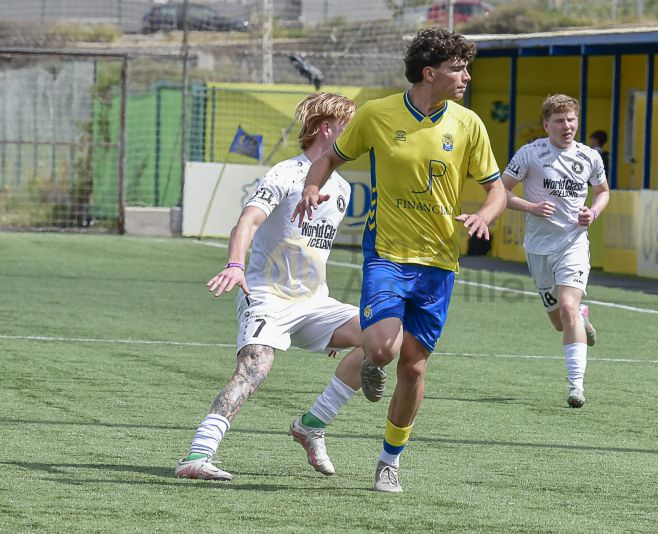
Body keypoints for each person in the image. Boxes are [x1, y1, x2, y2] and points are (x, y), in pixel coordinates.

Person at [292, 28, 507, 493]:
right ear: (430, 73)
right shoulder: (377, 114)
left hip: (440, 264)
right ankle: (369, 363)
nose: (466, 76)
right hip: (387, 254)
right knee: (384, 349)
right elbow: (331, 158)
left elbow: (497, 189)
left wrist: (486, 215)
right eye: (458, 68)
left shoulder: (468, 124)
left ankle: (389, 461)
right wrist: (312, 185)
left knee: (413, 367)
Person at [175, 92, 364, 481]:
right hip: (266, 295)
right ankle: (197, 456)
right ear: (327, 128)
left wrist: (333, 330)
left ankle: (312, 423)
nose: (358, 134)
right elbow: (246, 222)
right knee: (255, 369)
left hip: (315, 302)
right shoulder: (286, 173)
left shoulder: (342, 189)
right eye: (351, 125)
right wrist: (235, 265)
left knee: (384, 337)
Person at [501, 94, 610, 409]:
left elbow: (603, 191)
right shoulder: (530, 154)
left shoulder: (590, 156)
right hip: (538, 248)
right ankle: (581, 316)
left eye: (572, 120)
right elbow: (501, 191)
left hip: (573, 243)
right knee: (561, 321)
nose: (567, 126)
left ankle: (576, 386)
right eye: (560, 121)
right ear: (546, 124)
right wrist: (532, 207)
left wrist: (594, 212)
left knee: (566, 307)